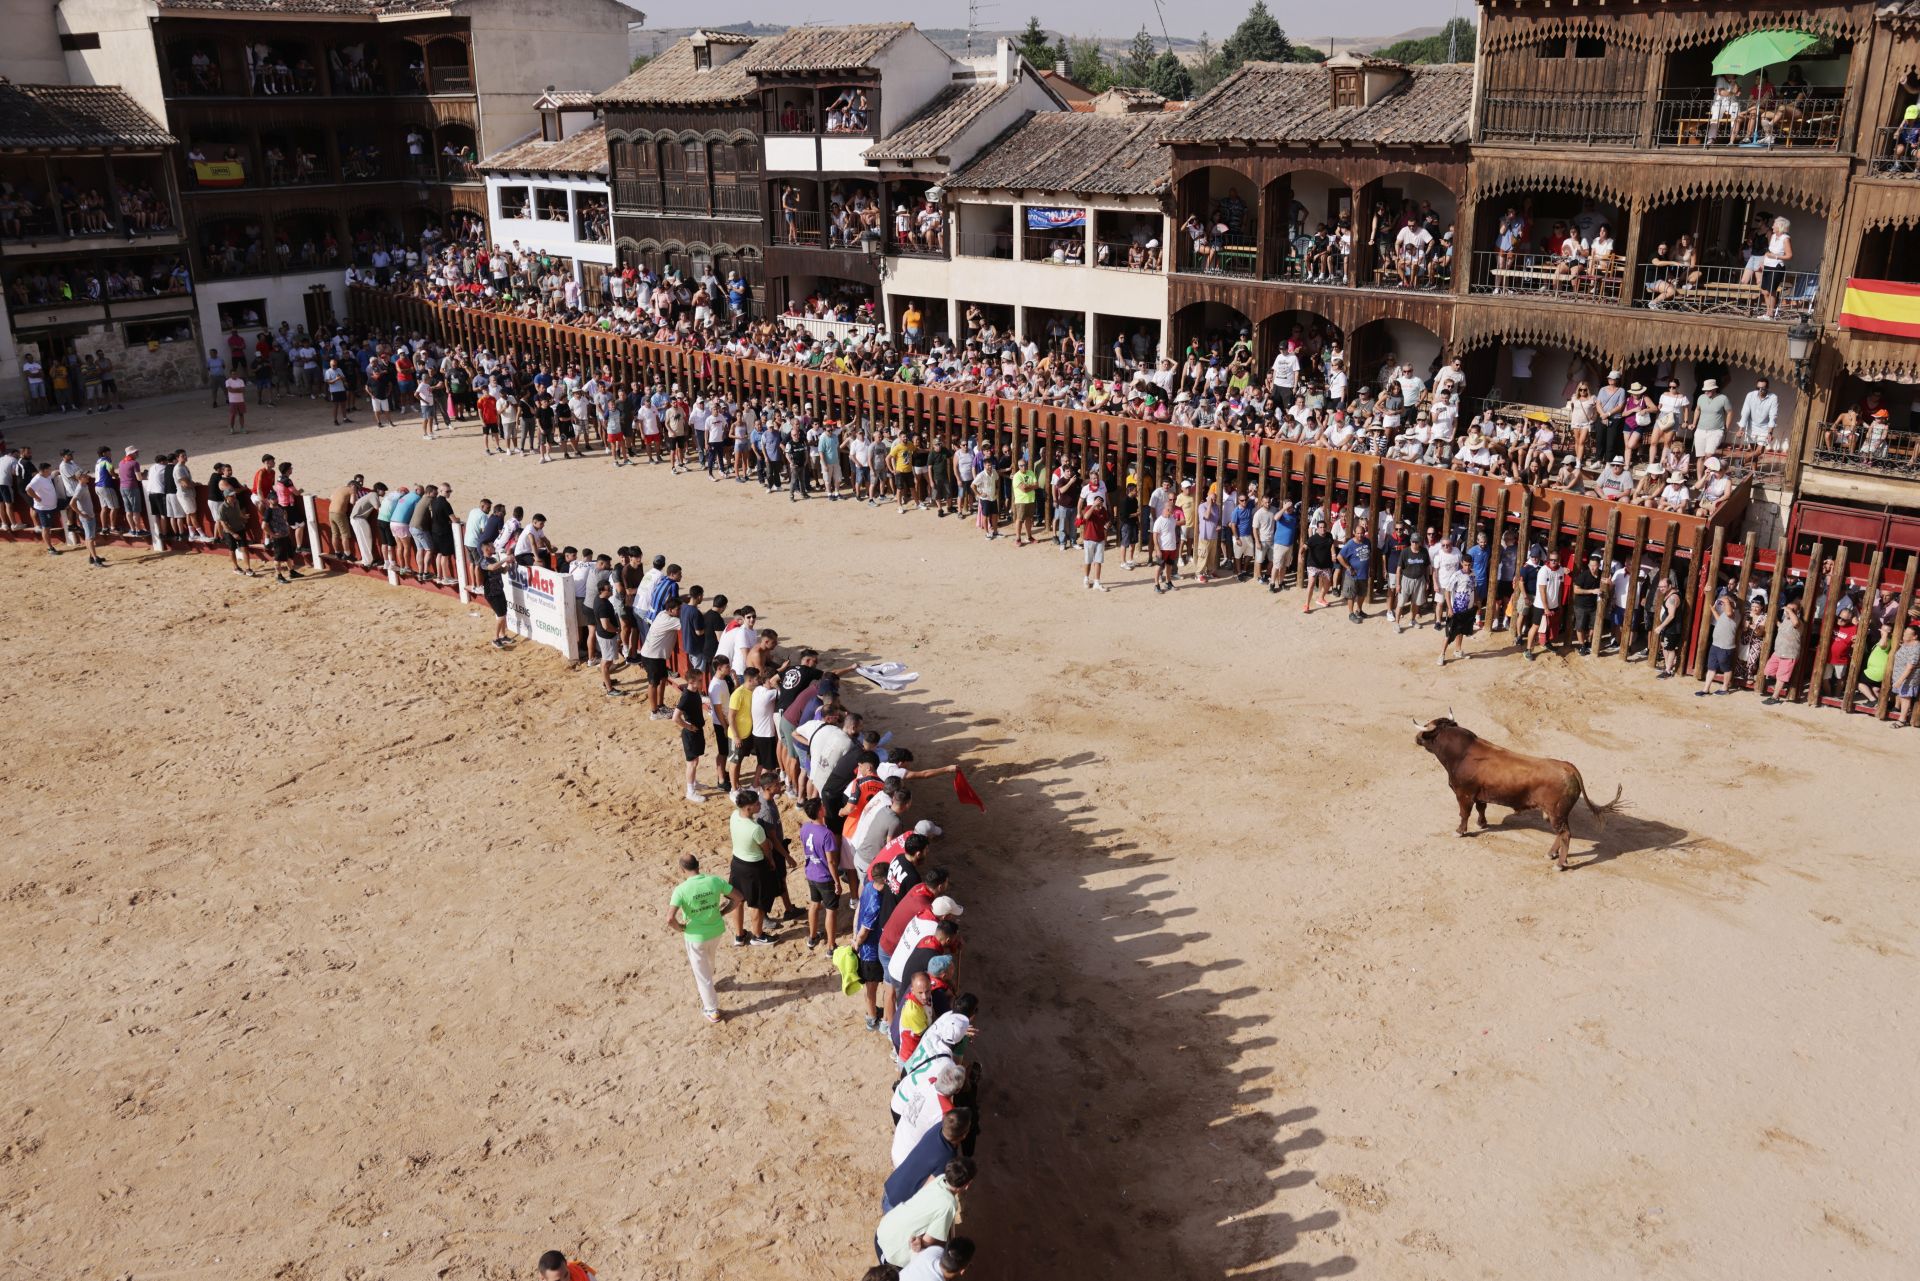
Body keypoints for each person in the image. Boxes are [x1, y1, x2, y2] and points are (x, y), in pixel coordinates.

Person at [665, 853, 733, 1023]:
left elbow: (670, 918)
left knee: (702, 975)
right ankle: (711, 985)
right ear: (698, 865)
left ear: (681, 869)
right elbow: (738, 898)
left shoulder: (681, 890)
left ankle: (712, 1010)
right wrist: (722, 912)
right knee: (710, 957)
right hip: (716, 930)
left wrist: (680, 928)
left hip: (695, 936)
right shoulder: (714, 881)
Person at [875, 1158, 974, 1268]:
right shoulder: (949, 1205)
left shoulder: (941, 1178)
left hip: (883, 1230)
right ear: (967, 1185)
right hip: (893, 1255)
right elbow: (926, 1242)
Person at [727, 788, 777, 946]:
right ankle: (757, 935)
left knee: (737, 899)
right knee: (756, 903)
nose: (760, 805)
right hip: (754, 868)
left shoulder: (734, 815)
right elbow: (766, 849)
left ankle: (739, 936)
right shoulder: (756, 829)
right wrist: (771, 860)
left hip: (737, 864)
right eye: (757, 804)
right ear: (748, 808)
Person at [797, 797, 840, 949]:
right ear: (820, 812)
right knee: (831, 910)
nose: (824, 807)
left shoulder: (805, 827)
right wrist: (837, 882)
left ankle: (812, 937)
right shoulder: (827, 834)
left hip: (811, 873)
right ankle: (831, 946)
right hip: (824, 877)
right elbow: (831, 862)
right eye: (822, 806)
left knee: (815, 904)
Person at [670, 673, 708, 803]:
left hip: (697, 732)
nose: (702, 682)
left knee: (695, 761)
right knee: (691, 763)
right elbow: (675, 717)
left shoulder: (695, 691)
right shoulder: (686, 697)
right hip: (691, 734)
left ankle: (694, 783)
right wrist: (688, 726)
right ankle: (690, 792)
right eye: (700, 680)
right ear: (691, 682)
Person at [1762, 601, 1803, 704]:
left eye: (1793, 609)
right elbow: (1780, 626)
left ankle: (1775, 697)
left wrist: (1789, 610)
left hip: (1789, 655)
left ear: (1798, 612)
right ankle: (1780, 684)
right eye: (1788, 608)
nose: (1789, 611)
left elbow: (1795, 623)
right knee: (1768, 671)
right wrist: (1774, 615)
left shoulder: (1799, 622)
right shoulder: (1785, 620)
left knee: (1781, 676)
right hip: (1778, 652)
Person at [1699, 594, 1740, 696]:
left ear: (1731, 603)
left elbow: (1729, 613)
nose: (1722, 604)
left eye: (1725, 602)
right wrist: (1714, 611)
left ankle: (1724, 688)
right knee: (1711, 667)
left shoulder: (1735, 612)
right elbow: (1720, 620)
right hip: (1715, 644)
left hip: (1725, 646)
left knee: (1726, 668)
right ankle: (1705, 689)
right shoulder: (1725, 613)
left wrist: (1726, 600)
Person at [1076, 492, 1110, 591]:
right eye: (1098, 504)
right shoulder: (1088, 508)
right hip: (1089, 539)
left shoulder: (1103, 510)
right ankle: (1086, 579)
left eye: (1101, 504)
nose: (1100, 507)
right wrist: (1093, 506)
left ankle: (1097, 582)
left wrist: (1107, 524)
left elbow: (1107, 520)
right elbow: (1085, 517)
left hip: (1100, 539)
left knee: (1098, 561)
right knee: (1088, 561)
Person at [1337, 526, 1371, 623]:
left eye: (1362, 533)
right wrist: (1348, 567)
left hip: (1364, 573)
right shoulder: (1350, 544)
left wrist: (1371, 567)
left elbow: (1369, 555)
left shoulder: (1367, 542)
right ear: (1354, 533)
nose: (1360, 535)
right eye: (1358, 533)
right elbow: (1339, 557)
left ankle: (1359, 610)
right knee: (1351, 595)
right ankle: (1351, 613)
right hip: (1352, 575)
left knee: (1362, 593)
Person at [1891, 624, 1920, 726]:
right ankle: (1904, 715)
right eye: (1905, 632)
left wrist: (1900, 680)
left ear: (1914, 636)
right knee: (1902, 696)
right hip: (1900, 675)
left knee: (1905, 697)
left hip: (1909, 678)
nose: (1904, 634)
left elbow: (1910, 667)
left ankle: (1902, 720)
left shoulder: (1916, 649)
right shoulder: (1906, 643)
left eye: (1907, 633)